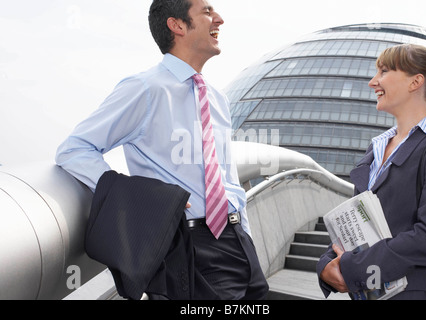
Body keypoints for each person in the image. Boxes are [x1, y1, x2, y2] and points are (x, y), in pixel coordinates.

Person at [55, 0, 268, 300]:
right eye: (207, 11)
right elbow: (75, 149)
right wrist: (143, 197)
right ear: (177, 25)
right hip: (190, 248)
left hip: (239, 245)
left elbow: (226, 176)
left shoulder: (218, 99)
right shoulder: (145, 88)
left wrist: (244, 236)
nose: (219, 19)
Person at [316, 43, 426, 300]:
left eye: (384, 71)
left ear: (415, 82)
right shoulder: (376, 148)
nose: (372, 82)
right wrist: (325, 265)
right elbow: (356, 226)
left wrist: (352, 266)